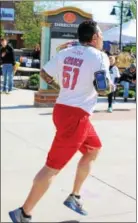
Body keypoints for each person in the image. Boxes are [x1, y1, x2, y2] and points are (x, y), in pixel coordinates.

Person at [9, 20, 112, 222]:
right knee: (52, 167)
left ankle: (75, 196)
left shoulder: (67, 52)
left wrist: (61, 88)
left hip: (62, 110)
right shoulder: (100, 57)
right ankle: (24, 212)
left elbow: (44, 73)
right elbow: (102, 89)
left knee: (93, 149)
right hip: (77, 116)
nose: (102, 38)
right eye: (101, 35)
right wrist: (111, 88)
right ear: (94, 38)